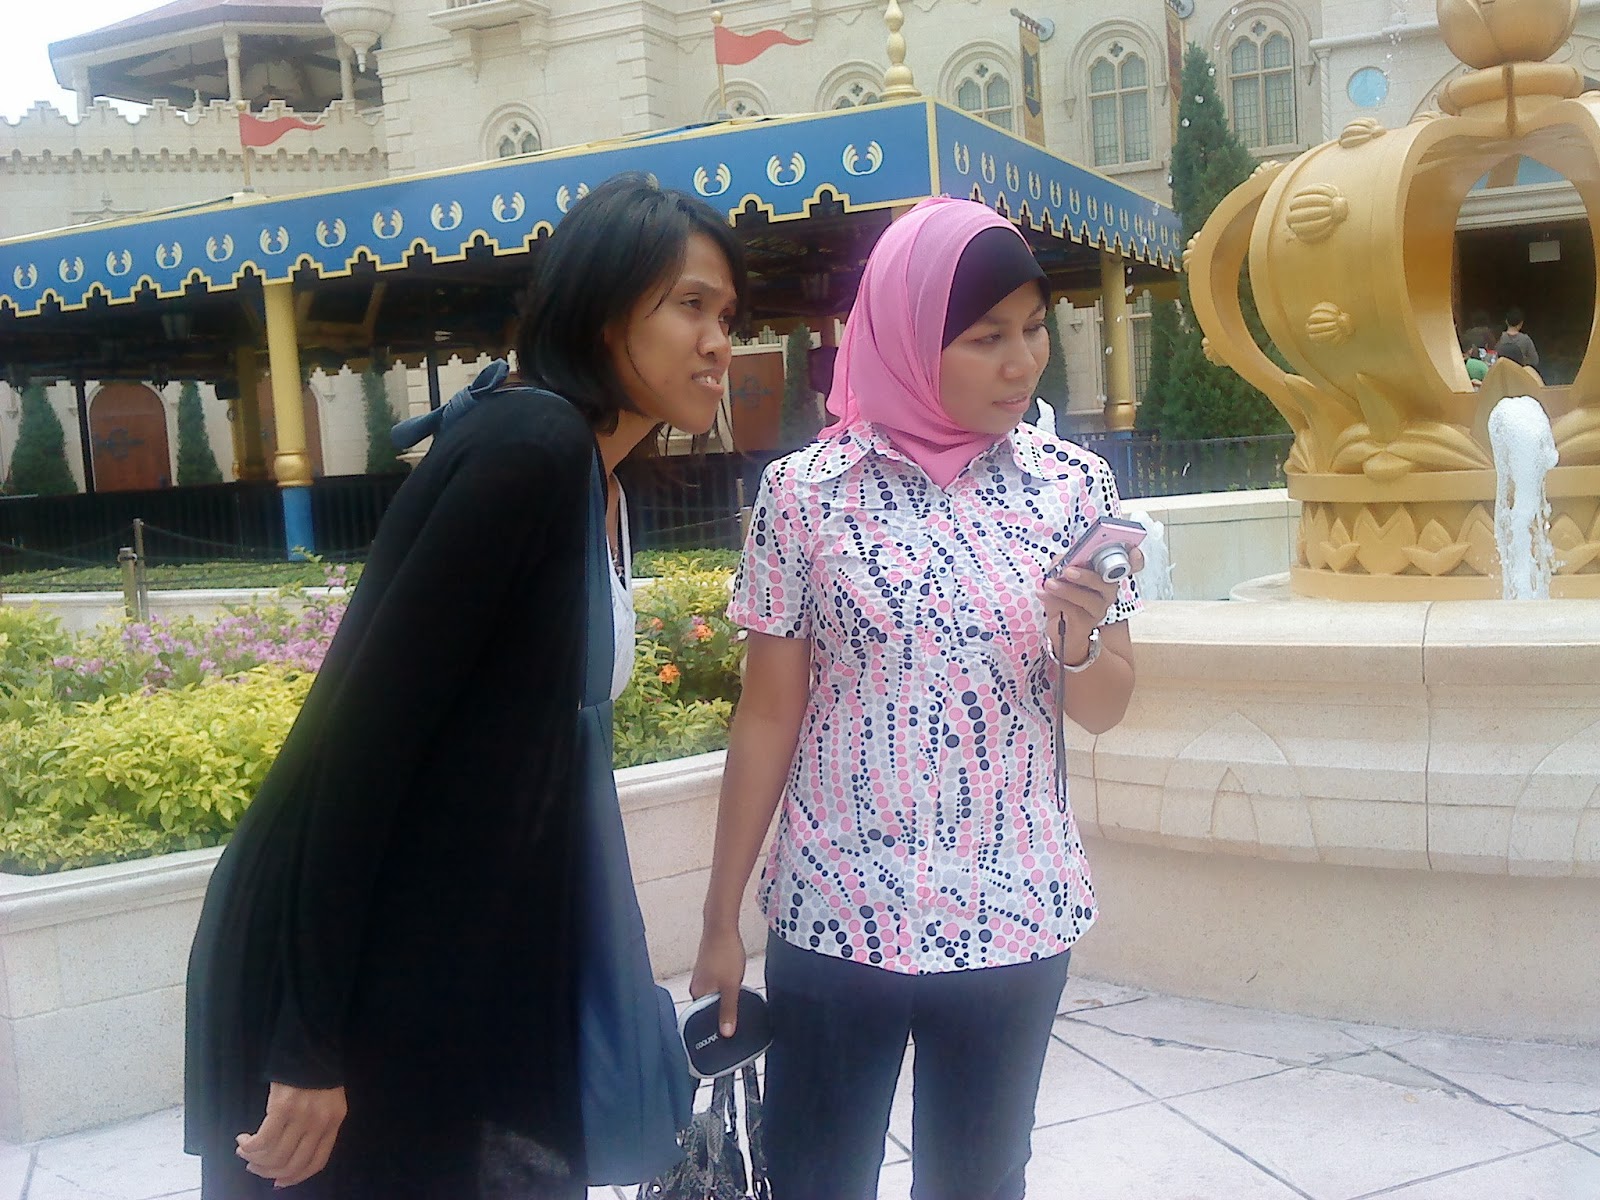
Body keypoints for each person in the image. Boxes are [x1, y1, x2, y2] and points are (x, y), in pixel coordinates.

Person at [184, 174, 746, 1198]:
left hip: (468, 957)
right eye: (690, 306)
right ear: (602, 311)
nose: (718, 343)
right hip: (369, 975)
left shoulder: (592, 473)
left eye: (727, 316)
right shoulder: (529, 449)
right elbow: (358, 748)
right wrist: (308, 1038)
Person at [690, 197, 1142, 1200]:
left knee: (978, 1181)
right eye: (986, 338)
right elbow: (768, 714)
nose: (1023, 363)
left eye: (1033, 329)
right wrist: (720, 916)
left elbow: (1108, 703)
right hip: (837, 915)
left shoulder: (1071, 488)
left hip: (1010, 915)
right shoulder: (807, 494)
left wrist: (1076, 638)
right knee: (816, 1179)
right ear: (905, 336)